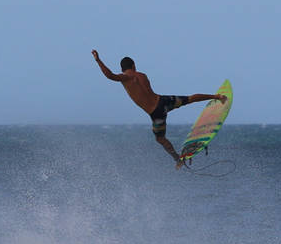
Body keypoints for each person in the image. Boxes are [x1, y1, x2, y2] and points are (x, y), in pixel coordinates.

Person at [92, 50, 226, 166]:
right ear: (134, 65)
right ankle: (217, 96)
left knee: (160, 139)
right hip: (163, 101)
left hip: (156, 113)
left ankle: (178, 159)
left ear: (122, 69)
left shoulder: (125, 77)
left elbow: (110, 75)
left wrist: (98, 60)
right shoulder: (142, 75)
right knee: (189, 98)